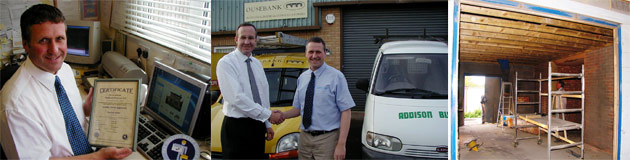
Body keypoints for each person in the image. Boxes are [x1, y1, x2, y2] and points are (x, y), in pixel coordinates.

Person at [0, 4, 131, 159]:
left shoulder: (65, 70)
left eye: (60, 39)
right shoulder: (16, 105)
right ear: (26, 45)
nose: (54, 50)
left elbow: (64, 117)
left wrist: (86, 110)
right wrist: (99, 157)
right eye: (43, 40)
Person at [216, 22, 284, 159]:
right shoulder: (226, 63)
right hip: (236, 127)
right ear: (236, 39)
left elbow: (262, 95)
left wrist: (267, 123)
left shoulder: (257, 64)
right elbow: (236, 97)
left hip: (258, 126)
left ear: (256, 40)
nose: (247, 42)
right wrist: (268, 115)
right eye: (243, 38)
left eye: (251, 38)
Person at [280, 37, 355, 160]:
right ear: (306, 54)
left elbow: (346, 111)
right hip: (304, 138)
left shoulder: (336, 77)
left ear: (325, 53)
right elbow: (298, 109)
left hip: (328, 139)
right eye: (311, 52)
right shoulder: (302, 78)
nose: (314, 56)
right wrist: (282, 115)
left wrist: (341, 144)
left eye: (318, 52)